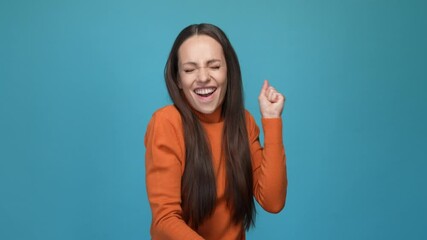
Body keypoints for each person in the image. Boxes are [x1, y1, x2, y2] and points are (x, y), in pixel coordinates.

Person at [144, 23, 287, 240]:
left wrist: (272, 119)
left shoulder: (243, 122)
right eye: (190, 69)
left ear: (228, 71)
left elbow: (273, 201)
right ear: (178, 80)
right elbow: (165, 219)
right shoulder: (166, 122)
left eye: (214, 66)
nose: (203, 77)